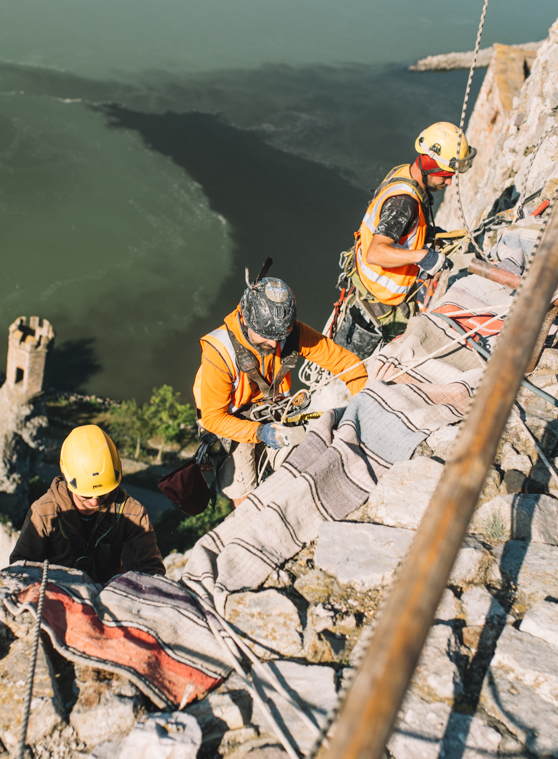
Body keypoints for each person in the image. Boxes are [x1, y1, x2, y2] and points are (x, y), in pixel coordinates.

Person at [193, 273, 367, 505]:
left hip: (270, 409)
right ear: (245, 319)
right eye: (266, 337)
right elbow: (213, 418)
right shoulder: (219, 352)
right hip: (229, 420)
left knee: (303, 463)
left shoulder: (290, 333)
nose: (274, 344)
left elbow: (346, 364)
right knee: (243, 493)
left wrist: (364, 405)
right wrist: (260, 433)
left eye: (280, 336)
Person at [347, 121, 477, 340]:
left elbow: (397, 227)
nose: (449, 182)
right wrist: (423, 256)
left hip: (367, 290)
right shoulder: (404, 202)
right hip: (381, 308)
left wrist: (429, 235)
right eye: (446, 175)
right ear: (430, 165)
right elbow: (375, 252)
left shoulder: (402, 173)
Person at [9, 424, 165, 583]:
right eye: (86, 495)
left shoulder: (131, 512)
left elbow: (151, 567)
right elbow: (21, 566)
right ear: (68, 479)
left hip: (108, 591)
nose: (95, 501)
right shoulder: (45, 512)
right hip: (58, 591)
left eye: (103, 493)